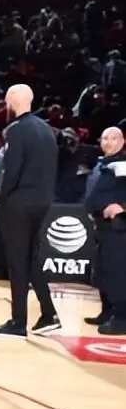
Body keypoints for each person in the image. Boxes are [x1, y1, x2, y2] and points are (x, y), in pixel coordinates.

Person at [0, 83, 60, 337]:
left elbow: (12, 171)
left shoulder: (16, 130)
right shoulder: (47, 130)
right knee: (32, 258)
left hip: (19, 203)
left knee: (17, 262)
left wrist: (1, 199)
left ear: (13, 101)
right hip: (42, 201)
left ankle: (18, 322)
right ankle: (49, 313)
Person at [83, 126, 126, 335]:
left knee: (117, 271)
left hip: (119, 227)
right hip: (102, 227)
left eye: (114, 138)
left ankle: (122, 318)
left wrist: (123, 207)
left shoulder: (123, 164)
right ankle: (107, 311)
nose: (108, 142)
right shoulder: (102, 163)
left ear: (123, 142)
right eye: (105, 138)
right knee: (103, 271)